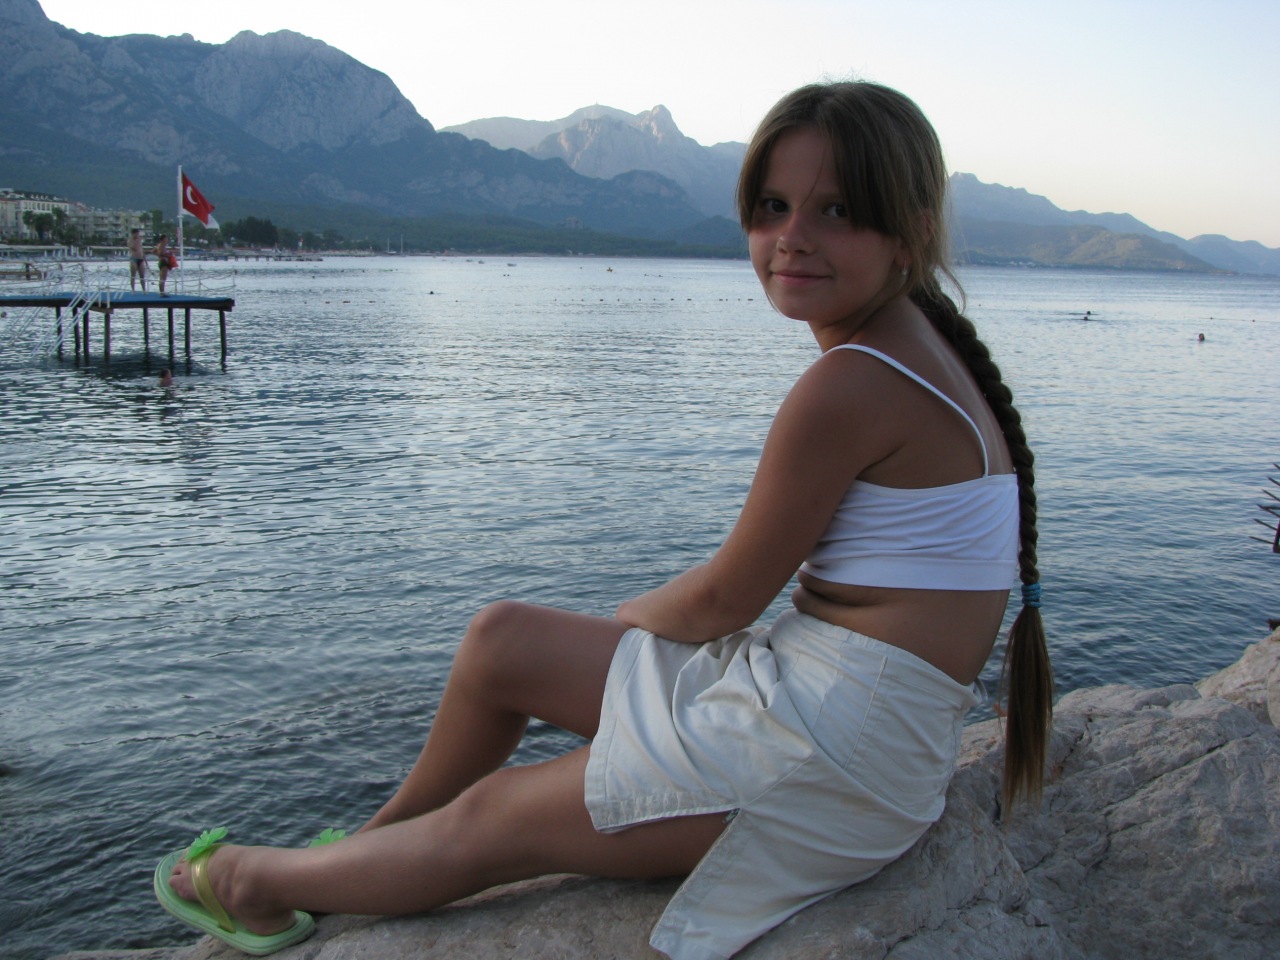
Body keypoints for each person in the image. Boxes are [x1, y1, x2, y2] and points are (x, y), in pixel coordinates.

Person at [154, 81, 1051, 960]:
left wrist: (630, 621)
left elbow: (722, 603)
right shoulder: (914, 347)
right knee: (502, 642)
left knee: (495, 818)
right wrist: (642, 647)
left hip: (830, 762)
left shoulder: (849, 384)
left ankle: (253, 881)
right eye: (773, 207)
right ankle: (367, 850)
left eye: (837, 211)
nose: (792, 237)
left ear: (910, 232)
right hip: (823, 703)